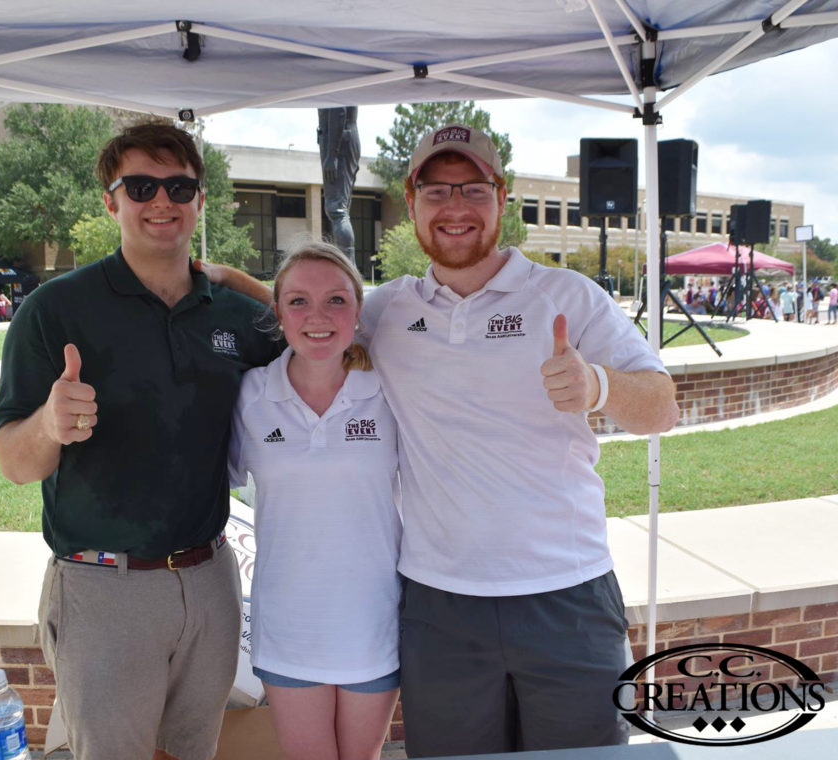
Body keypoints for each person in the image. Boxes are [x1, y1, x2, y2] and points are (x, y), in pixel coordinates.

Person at [208, 125, 679, 756]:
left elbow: (662, 407)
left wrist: (596, 385)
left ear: (501, 195)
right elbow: (314, 308)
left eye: (472, 188)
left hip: (565, 593)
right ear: (412, 200)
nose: (454, 207)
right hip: (440, 603)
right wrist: (218, 276)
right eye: (436, 190)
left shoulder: (568, 297)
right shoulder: (389, 311)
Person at [0, 121, 278, 760]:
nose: (162, 201)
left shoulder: (236, 315)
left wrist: (246, 283)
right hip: (104, 588)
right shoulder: (55, 309)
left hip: (210, 580)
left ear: (200, 200)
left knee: (193, 752)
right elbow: (14, 461)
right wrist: (48, 423)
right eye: (142, 185)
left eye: (179, 186)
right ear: (110, 200)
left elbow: (331, 331)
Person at [229, 242, 401, 760]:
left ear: (359, 310)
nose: (317, 317)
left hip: (374, 624)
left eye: (336, 301)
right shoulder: (251, 395)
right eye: (298, 302)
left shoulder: (391, 390)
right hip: (289, 629)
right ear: (278, 313)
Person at [317, 106, 360, 262]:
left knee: (337, 210)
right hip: (342, 137)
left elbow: (338, 109)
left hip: (338, 140)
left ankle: (347, 266)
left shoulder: (331, 81)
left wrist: (332, 154)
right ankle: (347, 266)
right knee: (340, 210)